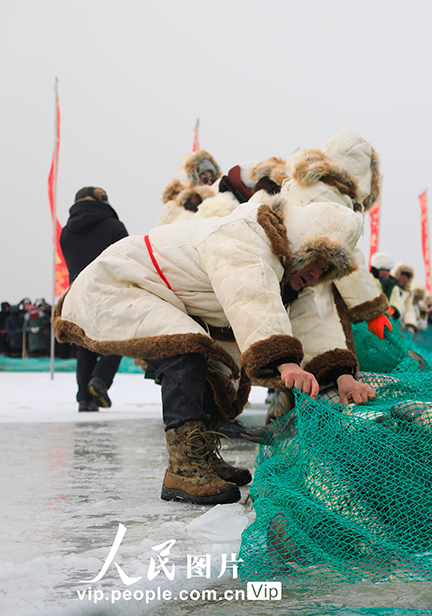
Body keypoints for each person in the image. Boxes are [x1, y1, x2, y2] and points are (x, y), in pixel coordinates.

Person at [54, 195, 377, 505]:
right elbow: (252, 299)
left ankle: (204, 453)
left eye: (325, 270)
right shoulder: (245, 239)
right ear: (298, 246)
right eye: (315, 262)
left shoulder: (289, 277)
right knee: (183, 350)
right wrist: (285, 363)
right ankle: (184, 468)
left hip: (164, 295)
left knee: (218, 368)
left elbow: (311, 324)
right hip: (122, 282)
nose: (315, 274)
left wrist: (340, 375)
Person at [60, 187, 129, 411]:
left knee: (84, 346)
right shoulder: (114, 227)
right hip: (108, 292)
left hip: (77, 294)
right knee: (118, 339)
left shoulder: (65, 232)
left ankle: (84, 398)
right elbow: (128, 259)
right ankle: (100, 378)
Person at [157, 151, 221, 225]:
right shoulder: (172, 206)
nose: (209, 182)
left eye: (212, 180)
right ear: (191, 178)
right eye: (205, 178)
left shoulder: (218, 204)